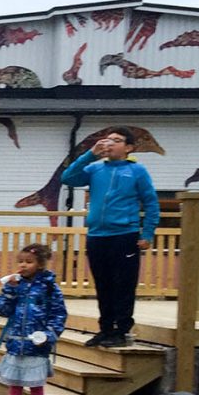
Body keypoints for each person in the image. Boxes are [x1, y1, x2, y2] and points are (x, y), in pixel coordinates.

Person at [59, 126, 159, 348]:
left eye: (116, 140)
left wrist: (147, 233)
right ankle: (105, 329)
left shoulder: (137, 171)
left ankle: (121, 331)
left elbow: (151, 202)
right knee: (103, 285)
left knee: (123, 284)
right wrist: (90, 153)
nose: (109, 143)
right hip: (97, 235)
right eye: (107, 139)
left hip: (124, 234)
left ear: (129, 147)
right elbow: (68, 178)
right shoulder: (95, 168)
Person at [0, 242, 67, 395]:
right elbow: (3, 309)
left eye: (29, 262)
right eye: (20, 261)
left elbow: (59, 312)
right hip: (16, 344)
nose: (23, 265)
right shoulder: (16, 285)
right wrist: (9, 292)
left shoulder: (49, 287)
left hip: (37, 345)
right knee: (15, 385)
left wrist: (51, 334)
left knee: (36, 386)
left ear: (40, 264)